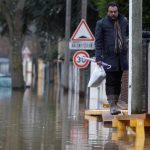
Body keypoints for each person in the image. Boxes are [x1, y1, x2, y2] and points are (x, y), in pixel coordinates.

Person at [95, 2, 128, 115]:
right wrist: (98, 57)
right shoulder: (101, 23)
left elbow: (132, 33)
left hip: (121, 57)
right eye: (111, 12)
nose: (113, 14)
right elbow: (98, 42)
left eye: (115, 12)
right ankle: (112, 106)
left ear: (117, 12)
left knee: (118, 81)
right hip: (108, 58)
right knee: (110, 81)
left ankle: (115, 103)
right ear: (107, 12)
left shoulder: (124, 21)